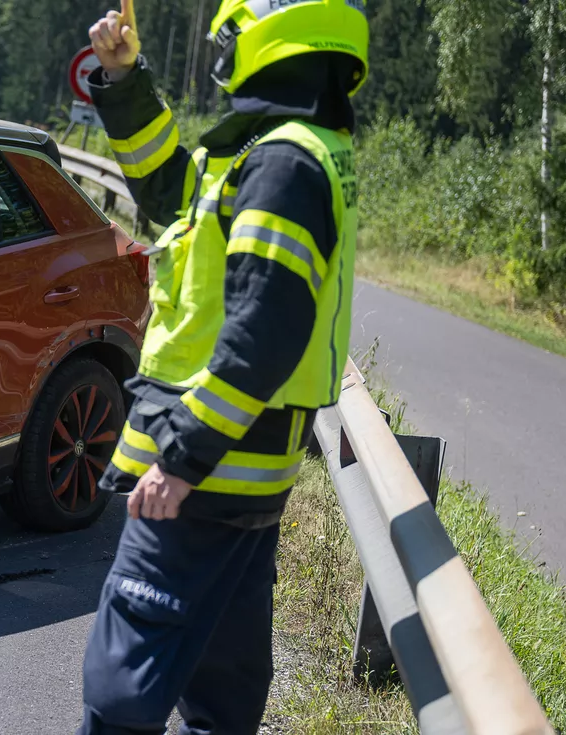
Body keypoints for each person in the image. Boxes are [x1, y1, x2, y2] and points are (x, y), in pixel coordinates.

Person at [77, 1, 367, 733]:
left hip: (197, 476)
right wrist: (124, 79)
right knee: (223, 691)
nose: (219, 57)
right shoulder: (276, 153)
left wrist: (181, 458)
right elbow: (170, 194)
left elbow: (262, 333)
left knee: (123, 687)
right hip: (243, 471)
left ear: (262, 43)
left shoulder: (283, 164)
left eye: (226, 41)